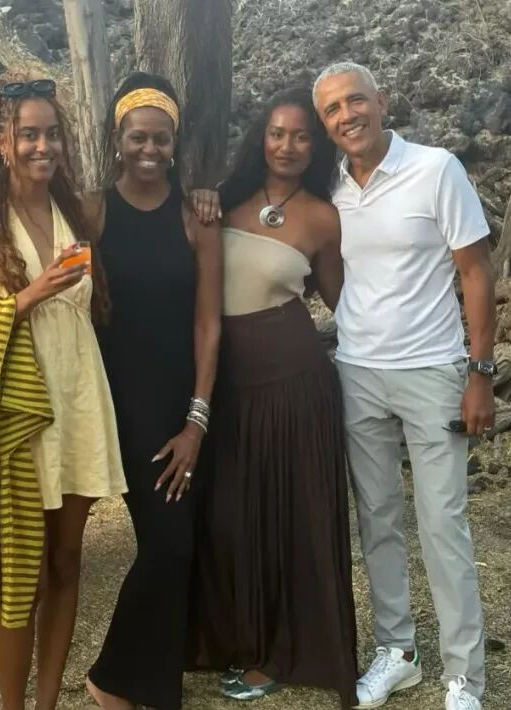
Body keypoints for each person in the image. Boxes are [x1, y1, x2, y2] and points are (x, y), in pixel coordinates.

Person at [0, 71, 127, 710]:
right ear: (0, 142)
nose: (43, 146)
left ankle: (47, 703)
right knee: (23, 576)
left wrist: (209, 194)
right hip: (20, 420)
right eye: (28, 135)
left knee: (67, 561)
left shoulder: (79, 214)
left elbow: (143, 185)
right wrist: (29, 295)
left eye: (52, 134)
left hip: (78, 403)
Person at [312, 62, 494, 710]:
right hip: (358, 372)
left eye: (355, 100)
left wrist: (479, 374)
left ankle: (463, 676)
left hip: (433, 373)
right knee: (377, 519)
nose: (347, 116)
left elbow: (475, 273)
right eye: (332, 109)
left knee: (442, 525)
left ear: (381, 101)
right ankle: (399, 652)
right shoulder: (329, 184)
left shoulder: (435, 169)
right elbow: (331, 268)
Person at [190, 87, 357, 708]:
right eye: (277, 133)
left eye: (302, 136)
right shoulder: (220, 199)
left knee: (288, 518)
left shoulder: (323, 217)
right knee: (228, 519)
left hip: (294, 385)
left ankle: (276, 654)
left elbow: (346, 304)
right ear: (261, 136)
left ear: (316, 146)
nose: (287, 146)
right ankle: (232, 638)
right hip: (225, 386)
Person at [83, 72, 222, 710]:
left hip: (183, 403)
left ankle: (156, 688)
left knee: (179, 545)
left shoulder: (197, 217)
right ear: (118, 139)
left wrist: (197, 419)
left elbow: (208, 323)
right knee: (169, 544)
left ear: (174, 143)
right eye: (138, 136)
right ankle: (111, 680)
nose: (149, 149)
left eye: (161, 139)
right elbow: (23, 216)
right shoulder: (92, 210)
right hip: (120, 404)